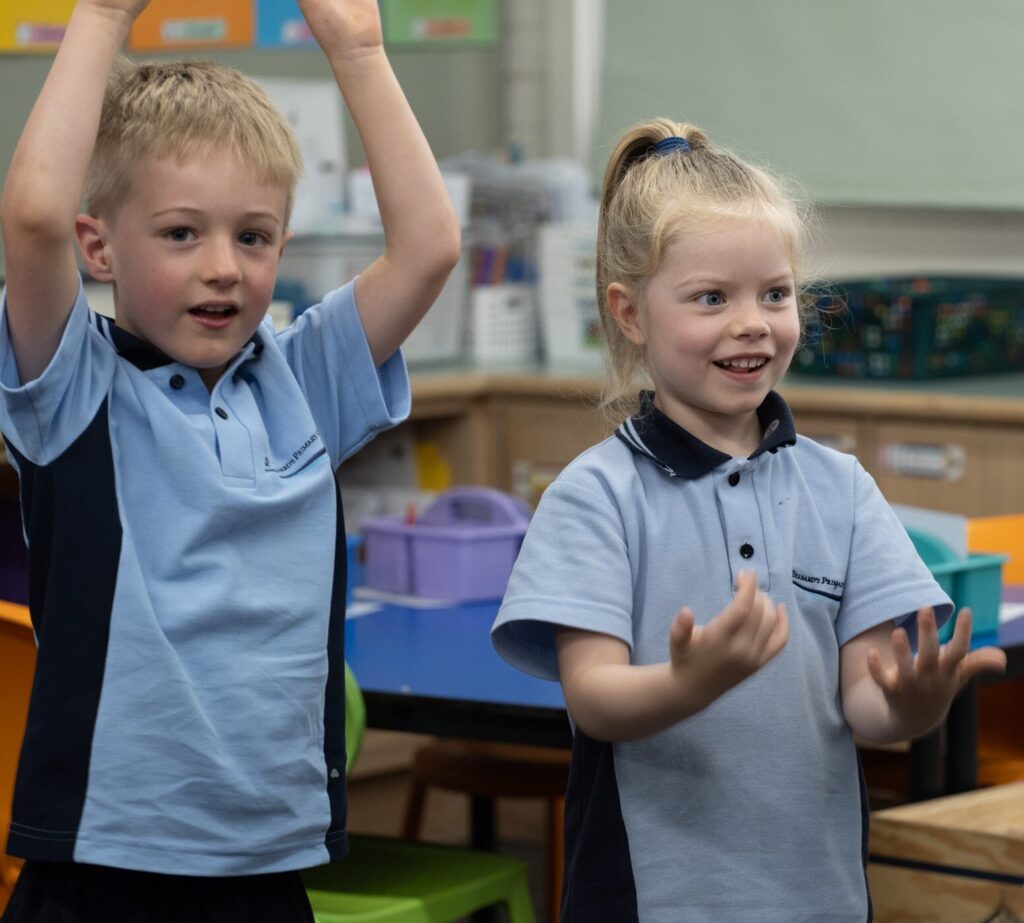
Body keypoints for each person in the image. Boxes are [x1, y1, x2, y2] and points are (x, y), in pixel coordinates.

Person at [0, 0, 459, 918]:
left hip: (265, 859)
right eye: (182, 233)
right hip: (106, 865)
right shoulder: (76, 385)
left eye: (253, 236)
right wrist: (103, 14)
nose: (224, 267)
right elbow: (35, 214)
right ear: (100, 247)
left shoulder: (302, 380)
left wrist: (358, 49)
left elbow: (429, 248)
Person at [491, 120, 1006, 922]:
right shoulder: (596, 494)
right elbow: (593, 698)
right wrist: (690, 682)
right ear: (629, 313)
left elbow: (868, 702)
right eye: (712, 298)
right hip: (650, 900)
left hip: (817, 897)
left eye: (775, 293)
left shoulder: (842, 489)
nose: (753, 322)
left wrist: (914, 705)